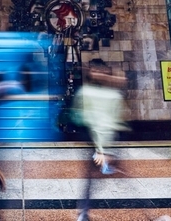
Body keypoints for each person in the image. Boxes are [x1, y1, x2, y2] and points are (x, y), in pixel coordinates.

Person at [74, 59, 128, 221]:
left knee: (109, 177)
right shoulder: (85, 93)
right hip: (97, 146)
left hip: (109, 144)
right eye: (95, 70)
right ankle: (83, 213)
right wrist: (99, 150)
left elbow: (118, 122)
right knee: (93, 179)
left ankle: (83, 212)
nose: (98, 73)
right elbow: (83, 120)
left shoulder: (114, 95)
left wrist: (109, 150)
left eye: (101, 70)